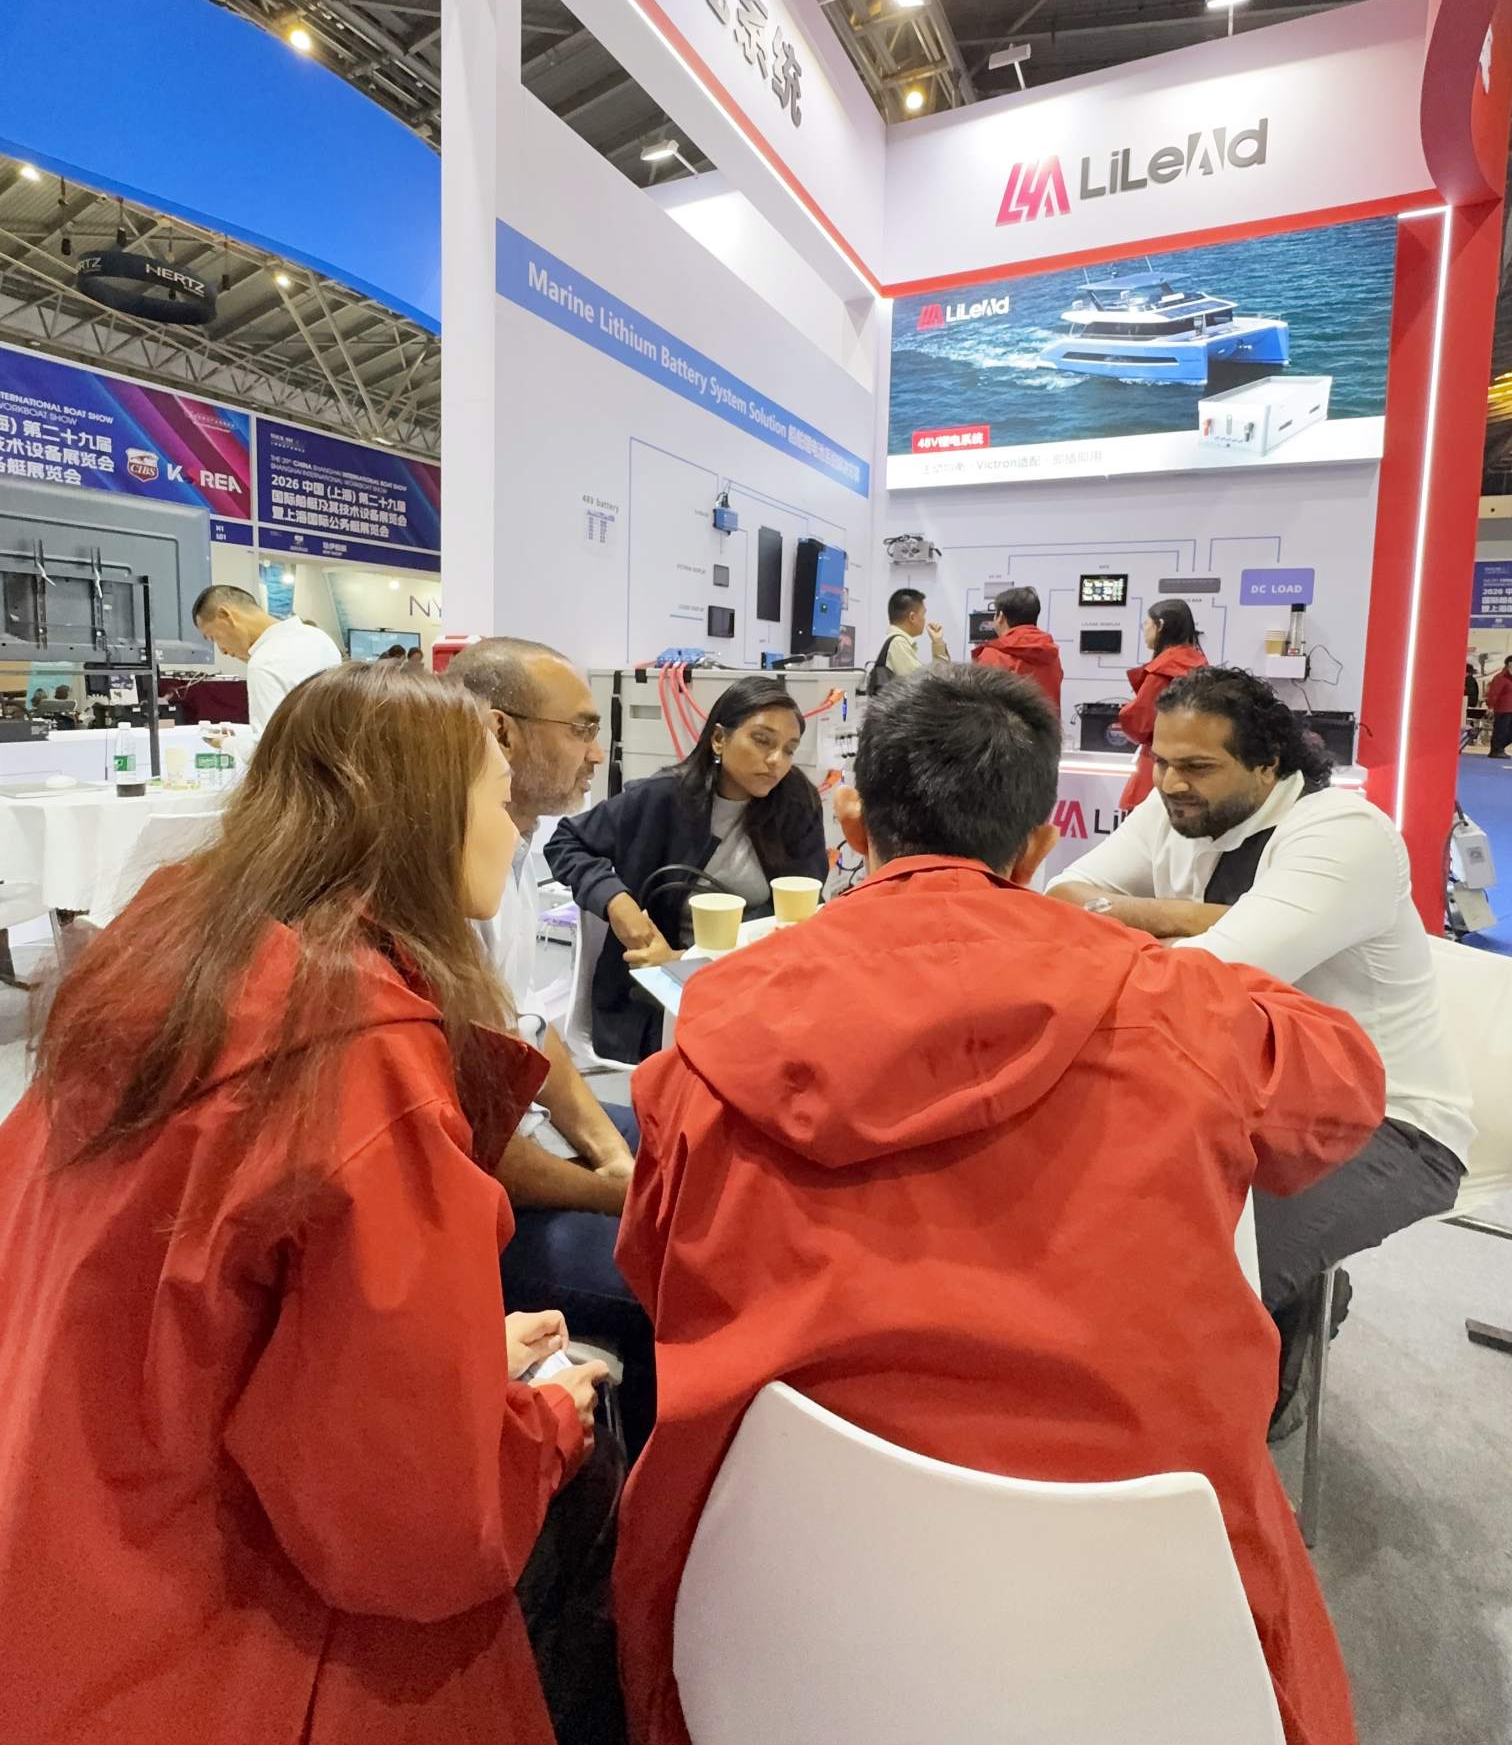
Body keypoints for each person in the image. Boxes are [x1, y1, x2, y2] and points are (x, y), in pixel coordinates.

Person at [613, 664, 1383, 1745]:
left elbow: (653, 1270)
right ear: (1036, 849)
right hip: (1149, 1613)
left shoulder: (711, 1030)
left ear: (853, 822)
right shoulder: (1186, 1009)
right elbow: (1342, 1097)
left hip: (773, 1603)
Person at [0, 661, 622, 1745]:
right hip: (224, 1632)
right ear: (426, 816)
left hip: (67, 1530)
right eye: (494, 797)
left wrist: (449, 1365)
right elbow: (415, 1525)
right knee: (593, 1427)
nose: (510, 830)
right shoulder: (361, 1054)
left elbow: (209, 1306)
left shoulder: (168, 951)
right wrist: (538, 1429)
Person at [1050, 666, 1473, 1431]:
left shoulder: (1341, 835)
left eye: (1197, 766)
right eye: (1162, 761)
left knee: (1189, 1293)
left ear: (1268, 765)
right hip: (1231, 1089)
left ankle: (1272, 1351)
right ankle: (1291, 1292)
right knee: (1087, 1218)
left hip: (1387, 1125)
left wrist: (1154, 920)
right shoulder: (1177, 810)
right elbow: (1064, 902)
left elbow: (1202, 979)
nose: (1170, 783)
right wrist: (1190, 912)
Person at [451, 637, 653, 1455]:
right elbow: (479, 1146)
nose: (596, 753)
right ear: (500, 733)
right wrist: (620, 1197)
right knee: (672, 1268)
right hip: (480, 1200)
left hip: (518, 1139)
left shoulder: (515, 852)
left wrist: (613, 1157)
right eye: (580, 729)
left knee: (685, 1146)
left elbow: (531, 1033)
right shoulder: (450, 885)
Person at [546, 676, 827, 1064]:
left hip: (756, 982)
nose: (776, 760)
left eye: (789, 749)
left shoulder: (796, 807)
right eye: (763, 740)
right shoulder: (661, 798)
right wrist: (615, 900)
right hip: (658, 999)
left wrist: (694, 961)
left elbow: (803, 911)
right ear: (719, 739)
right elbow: (565, 842)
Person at [192, 583, 341, 760]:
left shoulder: (264, 663)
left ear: (225, 615)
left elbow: (268, 753)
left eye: (213, 638)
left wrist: (224, 743)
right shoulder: (320, 638)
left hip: (301, 773)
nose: (222, 651)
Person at [1118, 596, 1207, 808]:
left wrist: (1125, 710)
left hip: (1158, 767)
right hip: (1193, 769)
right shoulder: (1199, 665)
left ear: (1160, 625)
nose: (1144, 630)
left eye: (1146, 624)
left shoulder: (1163, 671)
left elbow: (1138, 724)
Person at [971, 584, 1064, 713]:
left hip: (1007, 726)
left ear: (1000, 617)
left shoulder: (992, 654)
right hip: (1046, 725)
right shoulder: (1050, 654)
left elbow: (980, 704)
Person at [871, 586, 949, 684]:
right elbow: (926, 685)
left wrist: (937, 642)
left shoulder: (894, 641)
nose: (924, 619)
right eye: (923, 615)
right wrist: (938, 644)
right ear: (912, 617)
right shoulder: (898, 643)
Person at [1486, 654, 1512, 757]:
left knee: (1507, 731)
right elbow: (1493, 693)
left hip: (1510, 709)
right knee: (1501, 730)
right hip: (1503, 709)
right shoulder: (1501, 677)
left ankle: (1499, 747)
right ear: (1509, 664)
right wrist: (1490, 706)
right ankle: (1496, 750)